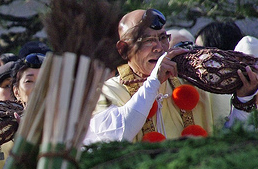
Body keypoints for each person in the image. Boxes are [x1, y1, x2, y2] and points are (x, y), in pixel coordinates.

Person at [84, 9, 258, 144]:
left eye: (162, 38)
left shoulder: (195, 82)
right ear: (123, 49)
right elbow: (114, 137)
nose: (159, 47)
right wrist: (153, 83)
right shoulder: (106, 92)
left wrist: (244, 100)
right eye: (147, 41)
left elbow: (230, 140)